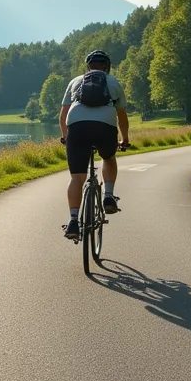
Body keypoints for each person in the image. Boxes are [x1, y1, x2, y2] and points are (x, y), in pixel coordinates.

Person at [59, 49, 130, 239]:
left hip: (77, 126)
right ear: (107, 67)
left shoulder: (75, 81)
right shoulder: (113, 82)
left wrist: (66, 137)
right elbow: (122, 117)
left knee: (76, 178)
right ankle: (108, 195)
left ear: (87, 66)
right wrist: (125, 139)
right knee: (109, 157)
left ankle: (74, 221)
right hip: (105, 127)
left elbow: (63, 115)